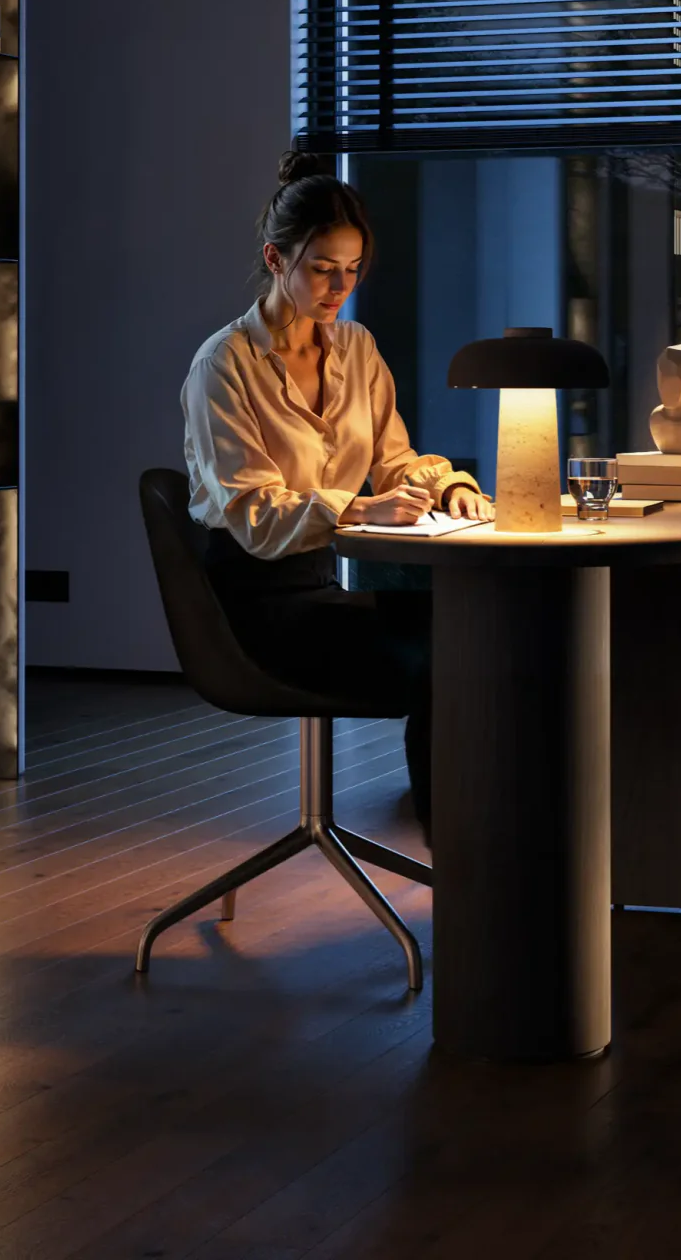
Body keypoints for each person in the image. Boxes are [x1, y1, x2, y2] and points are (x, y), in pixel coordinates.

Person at [181, 151, 493, 838]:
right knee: (443, 656)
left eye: (352, 271)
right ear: (275, 258)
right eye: (323, 268)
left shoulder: (356, 348)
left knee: (476, 632)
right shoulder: (223, 366)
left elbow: (394, 459)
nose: (339, 287)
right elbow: (256, 517)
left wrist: (451, 486)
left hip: (322, 591)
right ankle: (459, 857)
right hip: (256, 609)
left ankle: (484, 848)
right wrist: (358, 507)